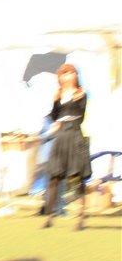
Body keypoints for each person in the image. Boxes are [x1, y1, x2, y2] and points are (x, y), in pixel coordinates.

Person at [42, 63, 91, 230]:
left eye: (71, 73)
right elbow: (55, 116)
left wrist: (77, 101)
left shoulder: (81, 93)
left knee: (77, 177)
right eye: (64, 74)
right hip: (61, 136)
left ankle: (80, 218)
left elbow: (81, 117)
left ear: (75, 76)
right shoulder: (58, 94)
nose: (68, 76)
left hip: (75, 134)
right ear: (60, 77)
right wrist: (56, 102)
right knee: (54, 176)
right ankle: (49, 216)